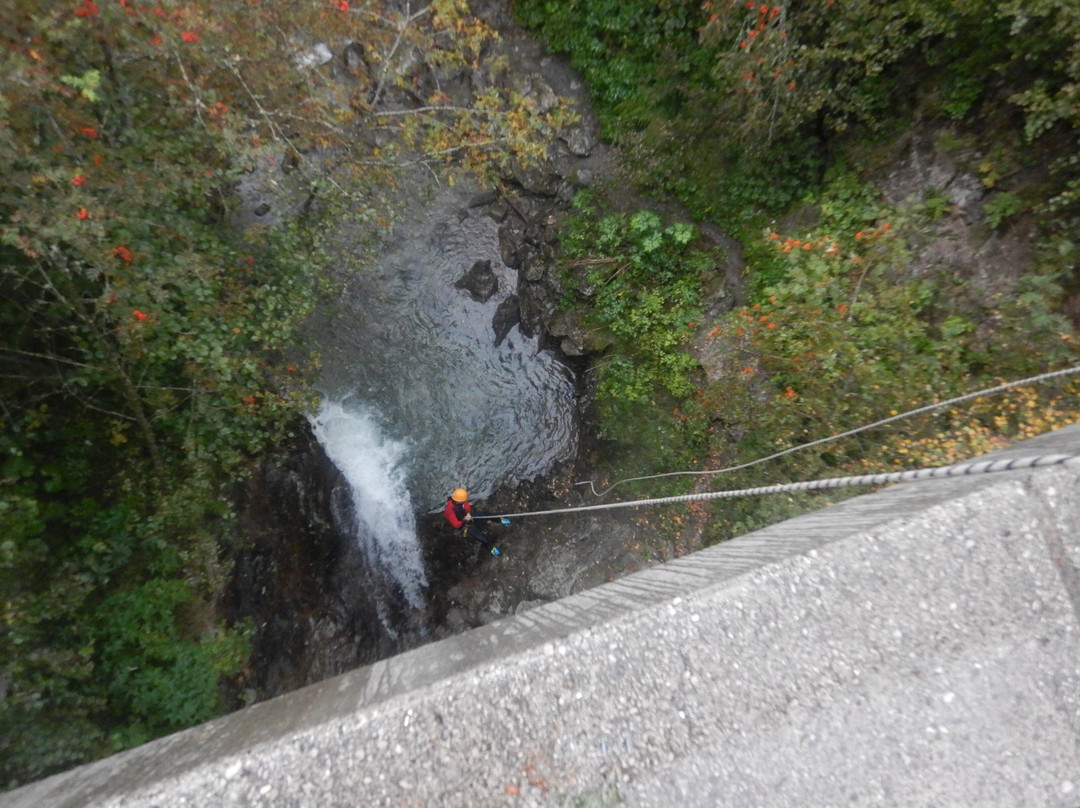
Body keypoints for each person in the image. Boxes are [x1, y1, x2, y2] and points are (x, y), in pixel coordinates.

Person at [444, 487, 500, 557]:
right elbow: (456, 525)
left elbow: (467, 507)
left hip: (467, 516)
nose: (465, 501)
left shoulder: (460, 501)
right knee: (480, 536)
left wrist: (468, 513)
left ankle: (499, 520)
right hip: (463, 524)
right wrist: (464, 519)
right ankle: (491, 549)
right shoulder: (450, 511)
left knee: (483, 515)